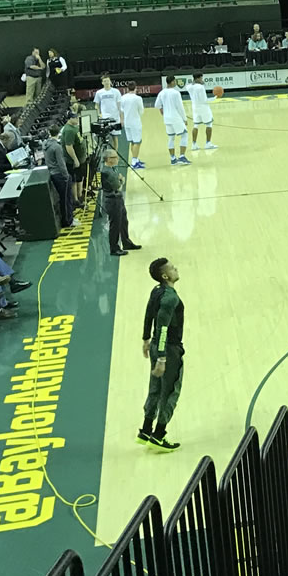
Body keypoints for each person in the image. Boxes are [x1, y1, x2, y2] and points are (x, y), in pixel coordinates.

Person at [140, 257, 185, 449]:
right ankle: (159, 435)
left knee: (155, 389)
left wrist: (145, 339)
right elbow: (163, 327)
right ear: (165, 275)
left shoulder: (157, 291)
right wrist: (162, 357)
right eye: (173, 268)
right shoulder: (170, 298)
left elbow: (149, 313)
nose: (176, 269)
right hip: (169, 349)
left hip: (156, 345)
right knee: (171, 391)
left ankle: (145, 430)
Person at [100, 147, 141, 257]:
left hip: (117, 199)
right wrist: (122, 180)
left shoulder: (112, 169)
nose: (117, 158)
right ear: (109, 159)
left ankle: (126, 242)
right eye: (115, 157)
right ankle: (114, 248)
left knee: (124, 221)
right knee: (115, 226)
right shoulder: (108, 172)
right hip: (113, 201)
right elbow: (118, 186)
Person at [40, 124, 74, 227]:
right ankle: (68, 221)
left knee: (62, 199)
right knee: (66, 199)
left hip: (52, 173)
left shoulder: (45, 144)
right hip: (60, 175)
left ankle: (66, 219)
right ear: (58, 133)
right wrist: (66, 176)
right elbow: (61, 163)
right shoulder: (57, 147)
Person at [156, 75, 190, 166]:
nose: (175, 83)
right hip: (175, 117)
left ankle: (173, 159)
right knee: (184, 134)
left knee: (171, 138)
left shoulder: (162, 92)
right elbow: (180, 107)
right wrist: (184, 119)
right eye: (175, 81)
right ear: (171, 82)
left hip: (167, 118)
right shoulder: (175, 93)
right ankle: (182, 157)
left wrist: (163, 113)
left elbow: (157, 105)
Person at [185, 73, 217, 151]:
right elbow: (204, 100)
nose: (202, 80)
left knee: (196, 125)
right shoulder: (201, 87)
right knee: (209, 124)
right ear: (198, 78)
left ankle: (194, 144)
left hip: (195, 108)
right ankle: (208, 143)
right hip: (204, 108)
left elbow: (191, 85)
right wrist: (214, 98)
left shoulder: (188, 87)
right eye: (201, 78)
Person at [120, 82, 146, 169]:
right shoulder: (138, 98)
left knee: (132, 142)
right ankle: (134, 161)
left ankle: (136, 159)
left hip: (127, 122)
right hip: (135, 122)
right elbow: (141, 111)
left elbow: (121, 110)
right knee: (137, 142)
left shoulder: (123, 98)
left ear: (127, 89)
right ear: (136, 88)